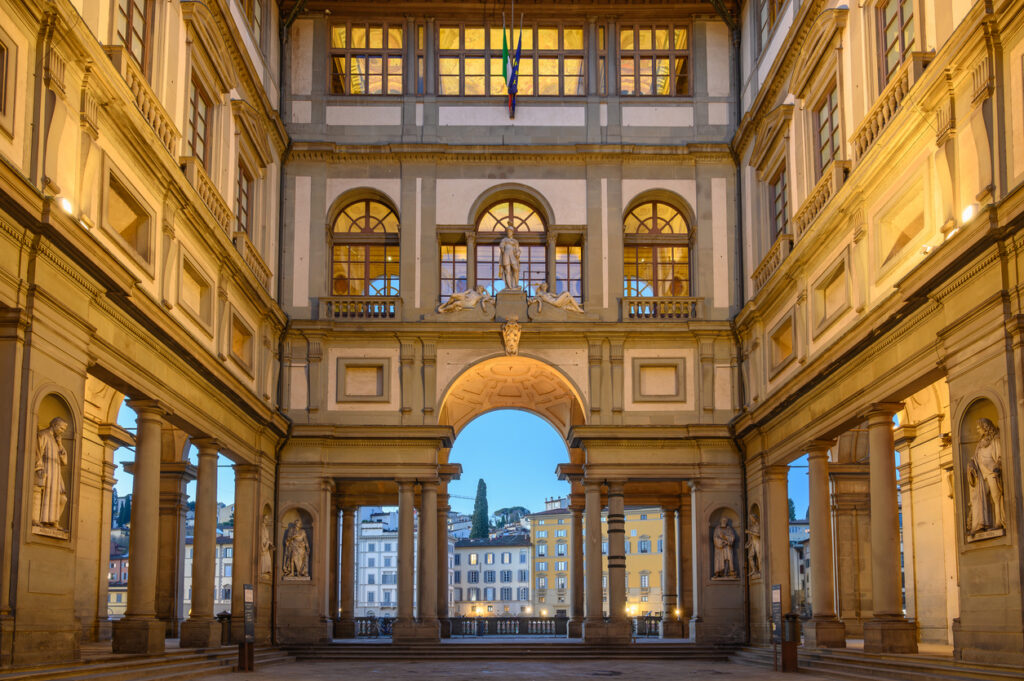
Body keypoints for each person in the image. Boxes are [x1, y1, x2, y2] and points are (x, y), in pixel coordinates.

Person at [968, 417, 1004, 534]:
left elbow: (1000, 457)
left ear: (985, 428)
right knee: (980, 498)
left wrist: (997, 466)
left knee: (996, 498)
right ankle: (980, 524)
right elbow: (976, 457)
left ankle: (998, 522)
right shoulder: (980, 444)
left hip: (992, 473)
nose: (978, 430)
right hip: (982, 476)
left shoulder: (995, 440)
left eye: (979, 428)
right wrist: (972, 463)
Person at [34, 417, 69, 527]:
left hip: (56, 471)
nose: (62, 431)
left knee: (62, 498)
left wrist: (59, 444)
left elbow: (64, 461)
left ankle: (54, 520)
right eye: (61, 428)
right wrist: (39, 468)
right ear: (54, 425)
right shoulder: (43, 435)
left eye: (64, 429)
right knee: (47, 496)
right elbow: (38, 453)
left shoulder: (56, 440)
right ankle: (46, 521)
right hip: (47, 468)